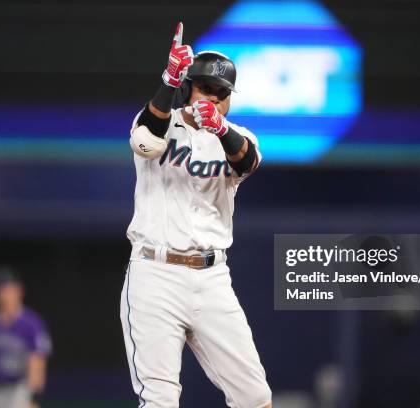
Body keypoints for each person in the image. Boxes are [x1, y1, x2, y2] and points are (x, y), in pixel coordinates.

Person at [121, 22, 272, 408]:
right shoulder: (158, 122)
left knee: (255, 397)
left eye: (223, 93)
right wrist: (168, 81)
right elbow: (145, 141)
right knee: (159, 401)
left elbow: (248, 161)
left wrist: (219, 128)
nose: (214, 99)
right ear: (189, 89)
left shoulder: (239, 136)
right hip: (156, 274)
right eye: (207, 88)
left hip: (212, 279)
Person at [0, 266, 52, 408]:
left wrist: (33, 398)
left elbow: (37, 363)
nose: (3, 293)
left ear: (20, 291)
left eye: (8, 288)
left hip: (18, 390)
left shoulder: (31, 323)